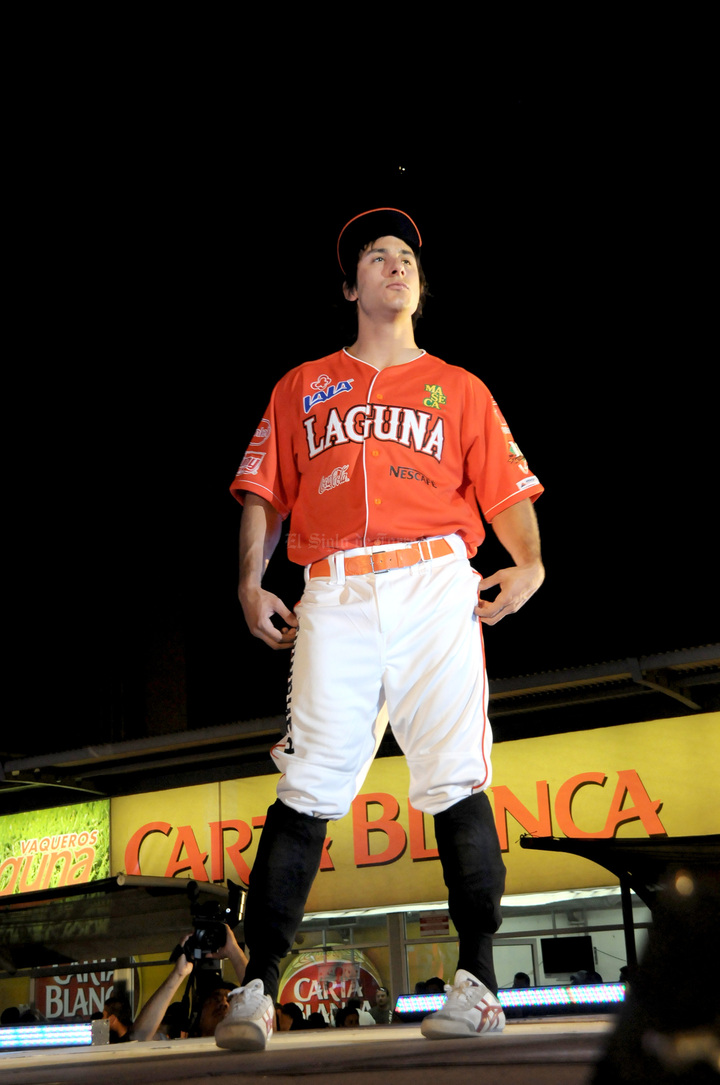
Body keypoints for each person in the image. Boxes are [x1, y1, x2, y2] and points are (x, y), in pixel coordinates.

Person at [221, 207, 544, 1052]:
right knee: (309, 782)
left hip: (437, 579)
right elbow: (263, 489)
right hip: (333, 589)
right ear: (350, 286)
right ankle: (255, 985)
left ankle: (476, 980)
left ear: (419, 284)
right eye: (376, 255)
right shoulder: (303, 385)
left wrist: (531, 564)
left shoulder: (459, 387)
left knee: (454, 772)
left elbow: (508, 492)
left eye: (405, 256)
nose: (394, 264)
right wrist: (251, 581)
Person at [133, 925, 248, 1041]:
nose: (223, 1003)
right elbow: (138, 1037)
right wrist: (178, 974)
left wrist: (234, 951)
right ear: (199, 1018)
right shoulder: (181, 1050)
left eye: (230, 1000)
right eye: (215, 999)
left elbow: (261, 997)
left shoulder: (253, 1045)